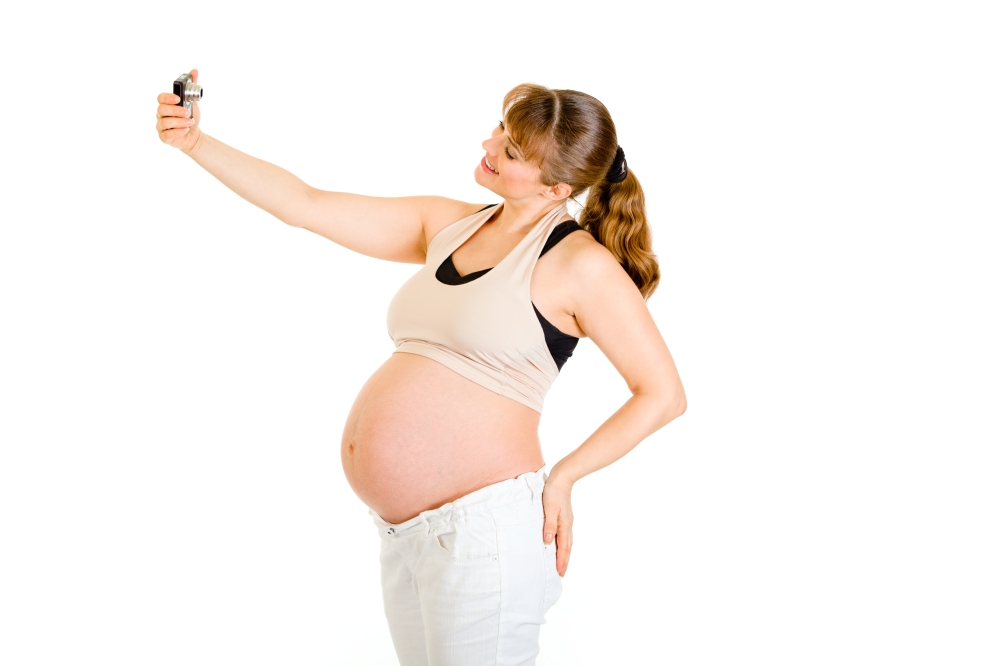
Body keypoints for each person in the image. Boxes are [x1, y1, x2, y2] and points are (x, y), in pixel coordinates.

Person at [155, 68, 687, 666]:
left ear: (559, 187)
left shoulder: (579, 265)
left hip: (485, 536)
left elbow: (662, 394)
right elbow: (306, 205)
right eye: (501, 130)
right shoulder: (450, 223)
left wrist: (563, 477)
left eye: (510, 151)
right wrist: (196, 143)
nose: (488, 146)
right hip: (409, 536)